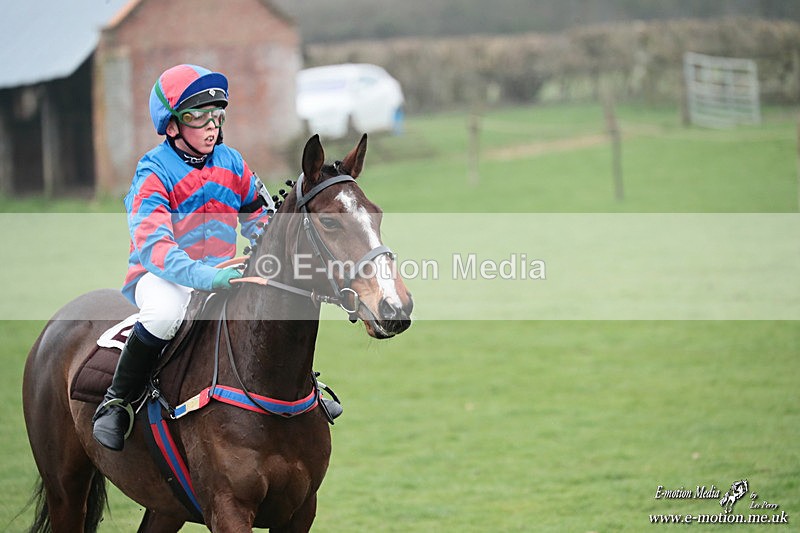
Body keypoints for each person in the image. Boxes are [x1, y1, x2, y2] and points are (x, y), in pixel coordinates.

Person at [92, 64, 340, 451]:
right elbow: (155, 248)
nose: (210, 126)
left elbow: (261, 217)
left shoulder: (233, 163)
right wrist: (208, 278)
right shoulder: (153, 172)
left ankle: (305, 382)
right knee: (164, 315)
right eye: (197, 117)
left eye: (216, 116)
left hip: (225, 270)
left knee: (273, 304)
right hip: (162, 276)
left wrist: (267, 255)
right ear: (171, 125)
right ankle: (117, 402)